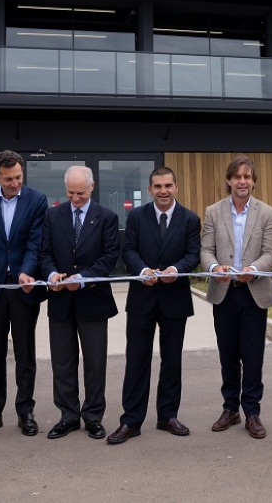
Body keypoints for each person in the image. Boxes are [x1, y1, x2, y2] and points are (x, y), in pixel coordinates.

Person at [107, 167, 201, 444]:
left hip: (175, 298)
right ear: (150, 189)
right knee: (137, 360)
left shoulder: (190, 219)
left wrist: (176, 269)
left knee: (172, 360)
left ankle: (167, 416)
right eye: (158, 186)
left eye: (168, 185)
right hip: (142, 298)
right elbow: (128, 249)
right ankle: (131, 421)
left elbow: (193, 254)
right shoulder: (137, 216)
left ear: (176, 187)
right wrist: (142, 270)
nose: (163, 191)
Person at [0, 150, 49, 438]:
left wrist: (26, 272)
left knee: (25, 352)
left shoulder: (37, 200)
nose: (15, 183)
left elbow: (35, 242)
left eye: (18, 177)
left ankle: (25, 411)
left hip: (23, 287)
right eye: (8, 179)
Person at [38, 165, 120, 441]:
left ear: (92, 187)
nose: (75, 198)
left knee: (95, 363)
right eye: (71, 193)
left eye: (81, 193)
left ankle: (93, 417)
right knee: (62, 363)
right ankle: (68, 416)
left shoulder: (106, 217)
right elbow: (44, 253)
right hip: (60, 301)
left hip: (93, 300)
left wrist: (83, 279)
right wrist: (51, 274)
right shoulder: (52, 215)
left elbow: (109, 257)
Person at [201, 156, 272, 440]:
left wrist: (254, 270)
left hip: (253, 294)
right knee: (228, 355)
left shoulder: (268, 213)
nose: (242, 182)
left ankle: (252, 412)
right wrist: (214, 268)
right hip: (224, 293)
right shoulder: (213, 212)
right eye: (237, 177)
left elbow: (271, 253)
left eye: (247, 177)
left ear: (253, 181)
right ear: (229, 180)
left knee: (253, 356)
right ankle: (230, 409)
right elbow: (206, 250)